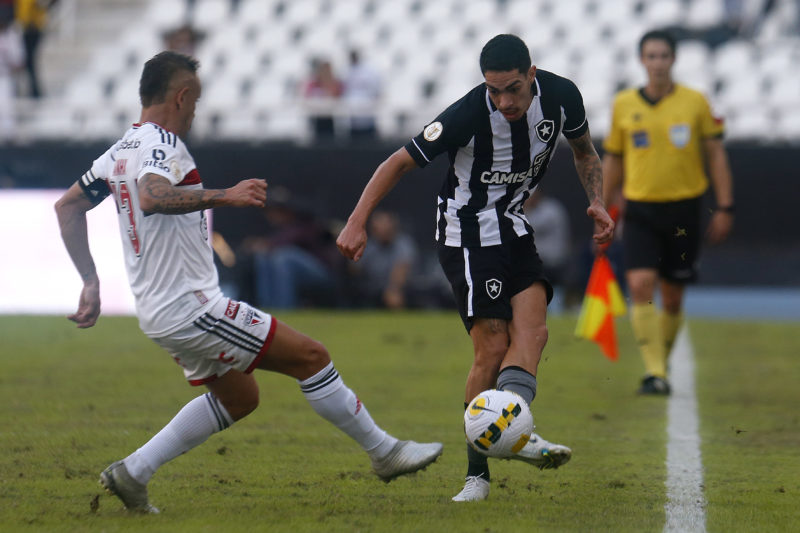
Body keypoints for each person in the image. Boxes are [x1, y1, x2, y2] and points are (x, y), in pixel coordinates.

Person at [54, 51, 442, 514]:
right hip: (191, 307)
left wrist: (90, 282)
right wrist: (228, 195)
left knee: (240, 396)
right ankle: (385, 452)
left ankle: (133, 472)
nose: (196, 110)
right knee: (313, 357)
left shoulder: (119, 151)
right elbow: (152, 196)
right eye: (194, 100)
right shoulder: (162, 145)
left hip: (158, 311)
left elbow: (68, 206)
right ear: (181, 96)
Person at [337, 34, 614, 502]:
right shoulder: (468, 113)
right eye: (494, 91)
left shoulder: (563, 96)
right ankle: (477, 476)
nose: (504, 101)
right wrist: (356, 221)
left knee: (535, 335)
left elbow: (585, 152)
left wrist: (598, 203)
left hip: (513, 224)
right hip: (466, 233)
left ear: (532, 74)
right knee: (492, 347)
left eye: (513, 89)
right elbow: (397, 162)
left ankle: (514, 431)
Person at [602, 29, 734, 396]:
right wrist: (602, 203)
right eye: (651, 56)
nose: (658, 62)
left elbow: (716, 155)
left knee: (672, 296)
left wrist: (725, 206)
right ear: (641, 61)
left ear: (673, 59)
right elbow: (614, 158)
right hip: (640, 207)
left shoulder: (696, 102)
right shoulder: (624, 104)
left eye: (663, 55)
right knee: (641, 286)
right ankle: (655, 371)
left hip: (683, 210)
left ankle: (659, 366)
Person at [351, 210, 418, 309]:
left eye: (385, 223)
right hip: (371, 291)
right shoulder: (369, 246)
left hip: (398, 290)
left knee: (394, 297)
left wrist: (393, 290)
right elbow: (354, 270)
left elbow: (401, 272)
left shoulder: (403, 244)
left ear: (392, 226)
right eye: (378, 224)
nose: (382, 228)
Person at [522, 189, 571, 287]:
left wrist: (524, 209)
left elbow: (530, 227)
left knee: (553, 293)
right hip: (540, 264)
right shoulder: (535, 209)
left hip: (553, 264)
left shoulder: (550, 208)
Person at [343, 49, 381, 140]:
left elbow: (375, 89)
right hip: (352, 117)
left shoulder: (368, 71)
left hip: (367, 113)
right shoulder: (345, 71)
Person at [302, 57, 343, 139]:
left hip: (329, 115)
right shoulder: (314, 83)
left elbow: (337, 95)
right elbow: (308, 96)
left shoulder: (334, 83)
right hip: (317, 115)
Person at [0, 10, 23, 142]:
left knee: (7, 109)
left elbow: (19, 61)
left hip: (5, 77)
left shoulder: (12, 36)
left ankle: (8, 139)